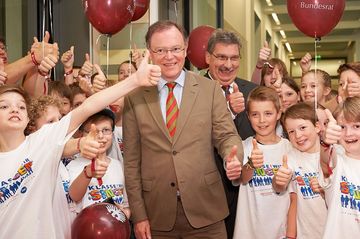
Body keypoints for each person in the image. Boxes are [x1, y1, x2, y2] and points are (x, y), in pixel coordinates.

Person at [0, 52, 161, 238]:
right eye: (4, 106)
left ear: (28, 118)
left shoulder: (42, 141)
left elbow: (87, 108)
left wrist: (134, 80)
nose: (14, 109)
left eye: (21, 106)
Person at [123, 20, 243, 239]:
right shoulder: (135, 97)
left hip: (206, 212)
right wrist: (139, 216)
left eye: (176, 49)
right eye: (161, 50)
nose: (170, 57)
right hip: (156, 216)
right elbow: (131, 162)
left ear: (186, 48)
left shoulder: (209, 89)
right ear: (150, 52)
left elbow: (227, 136)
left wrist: (232, 158)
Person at [204, 28, 257, 238]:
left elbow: (259, 135)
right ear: (208, 57)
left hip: (246, 190)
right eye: (221, 57)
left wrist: (238, 114)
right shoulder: (191, 90)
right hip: (206, 193)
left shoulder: (252, 91)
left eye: (234, 58)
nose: (228, 65)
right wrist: (228, 112)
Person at [233, 86, 293, 239]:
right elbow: (241, 178)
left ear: (278, 113)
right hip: (247, 232)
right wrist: (251, 164)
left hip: (281, 232)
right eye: (255, 114)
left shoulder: (289, 148)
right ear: (248, 116)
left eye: (268, 114)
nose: (261, 120)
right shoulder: (243, 146)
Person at [273, 102, 327, 239]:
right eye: (291, 131)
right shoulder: (292, 158)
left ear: (317, 127)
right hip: (306, 234)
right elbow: (284, 192)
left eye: (302, 127)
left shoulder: (333, 155)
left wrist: (324, 189)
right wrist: (278, 180)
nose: (297, 135)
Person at [67, 109, 130, 218]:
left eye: (106, 130)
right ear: (82, 135)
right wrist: (88, 173)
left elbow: (126, 206)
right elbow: (74, 196)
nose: (101, 136)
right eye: (94, 131)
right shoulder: (74, 166)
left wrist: (125, 213)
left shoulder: (118, 166)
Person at [319, 96, 360, 238]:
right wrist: (326, 142)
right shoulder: (337, 157)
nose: (348, 134)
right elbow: (326, 162)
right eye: (342, 127)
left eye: (357, 126)